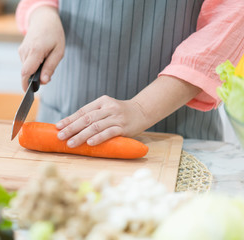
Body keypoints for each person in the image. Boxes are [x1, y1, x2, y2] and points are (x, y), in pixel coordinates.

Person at [15, 0, 244, 148]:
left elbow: (230, 21)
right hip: (59, 124)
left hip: (174, 135)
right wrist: (42, 13)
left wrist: (142, 109)